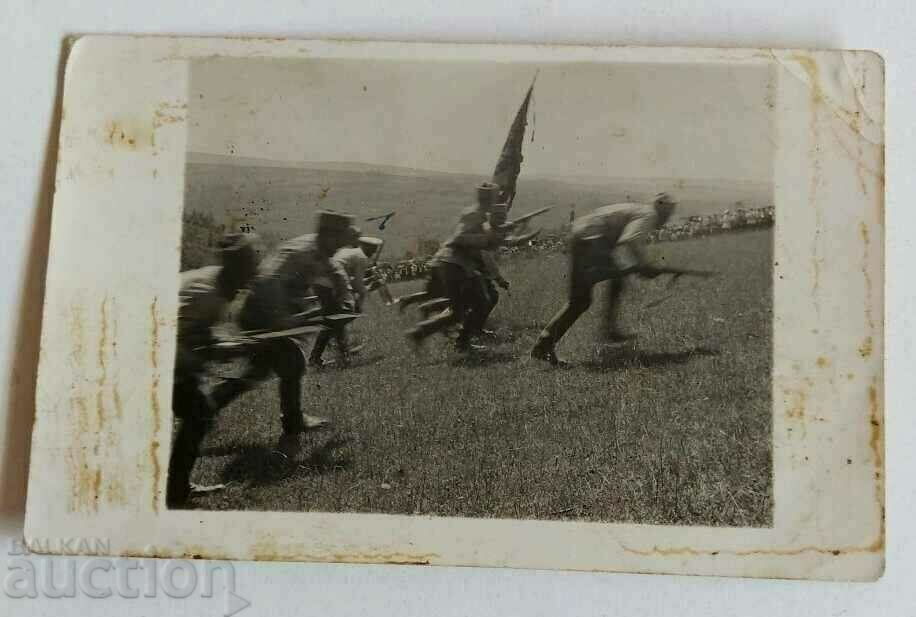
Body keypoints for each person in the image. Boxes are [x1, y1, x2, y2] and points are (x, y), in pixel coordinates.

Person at [209, 210, 358, 459]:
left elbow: (334, 270)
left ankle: (208, 405)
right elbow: (268, 281)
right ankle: (292, 431)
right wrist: (282, 319)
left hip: (270, 312)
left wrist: (346, 296)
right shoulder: (300, 252)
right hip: (260, 311)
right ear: (327, 234)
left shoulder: (321, 250)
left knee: (259, 371)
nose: (341, 246)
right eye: (339, 239)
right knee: (293, 363)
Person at [166, 233, 259, 508]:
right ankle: (174, 493)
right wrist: (219, 350)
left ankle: (176, 489)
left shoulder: (218, 284)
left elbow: (198, 334)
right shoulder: (207, 292)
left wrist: (223, 345)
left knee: (199, 413)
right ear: (237, 269)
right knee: (198, 413)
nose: (252, 275)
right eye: (249, 268)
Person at [531, 193, 678, 365]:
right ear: (663, 209)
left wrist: (639, 266)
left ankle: (543, 344)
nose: (668, 218)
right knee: (616, 275)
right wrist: (644, 265)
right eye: (669, 213)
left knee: (580, 301)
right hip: (592, 239)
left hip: (581, 236)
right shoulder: (649, 214)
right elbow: (629, 240)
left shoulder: (641, 210)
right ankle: (609, 329)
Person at [406, 182, 509, 352]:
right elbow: (459, 238)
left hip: (456, 264)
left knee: (460, 309)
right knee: (479, 303)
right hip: (454, 264)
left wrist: (490, 239)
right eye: (494, 197)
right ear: (489, 198)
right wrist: (486, 239)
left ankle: (421, 332)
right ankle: (461, 343)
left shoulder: (480, 214)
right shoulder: (475, 214)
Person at [309, 233, 383, 366]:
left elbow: (350, 281)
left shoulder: (349, 252)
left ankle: (326, 355)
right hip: (330, 285)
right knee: (338, 319)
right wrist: (371, 287)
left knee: (333, 321)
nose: (374, 253)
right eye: (373, 249)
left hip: (320, 283)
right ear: (367, 248)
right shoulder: (361, 257)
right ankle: (340, 355)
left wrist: (369, 281)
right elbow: (357, 286)